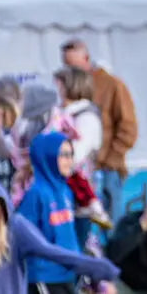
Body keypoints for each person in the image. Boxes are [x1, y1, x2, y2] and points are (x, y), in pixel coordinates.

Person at [0, 175, 118, 294]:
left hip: (57, 277)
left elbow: (53, 252)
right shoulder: (36, 194)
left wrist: (101, 268)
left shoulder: (15, 227)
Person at [61, 40, 138, 226]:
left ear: (86, 59)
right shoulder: (70, 89)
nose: (69, 70)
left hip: (107, 170)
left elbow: (128, 127)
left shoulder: (112, 85)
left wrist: (110, 160)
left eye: (72, 65)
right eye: (66, 65)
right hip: (79, 173)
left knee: (111, 228)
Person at [17, 131, 87, 293]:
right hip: (44, 278)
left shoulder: (66, 191)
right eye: (63, 155)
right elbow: (22, 236)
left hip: (66, 274)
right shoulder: (36, 194)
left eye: (71, 154)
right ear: (47, 156)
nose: (70, 160)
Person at [54, 67, 112, 244]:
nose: (57, 90)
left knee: (77, 245)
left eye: (60, 85)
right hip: (63, 194)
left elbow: (76, 155)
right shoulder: (61, 114)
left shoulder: (86, 117)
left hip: (79, 198)